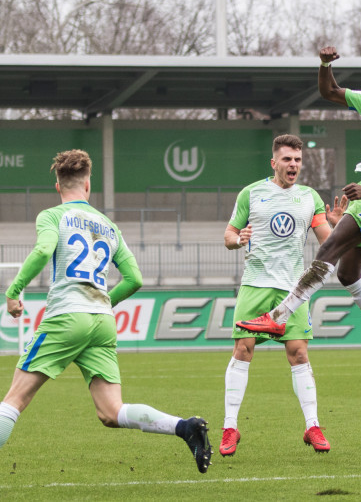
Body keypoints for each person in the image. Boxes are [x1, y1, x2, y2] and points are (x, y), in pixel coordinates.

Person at [0, 149, 211, 473]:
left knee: (14, 399)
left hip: (66, 317)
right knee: (111, 412)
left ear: (58, 186)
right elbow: (135, 279)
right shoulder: (109, 225)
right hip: (102, 321)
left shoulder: (53, 215)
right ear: (88, 186)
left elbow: (44, 249)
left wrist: (13, 291)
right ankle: (184, 428)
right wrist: (101, 304)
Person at [238, 46, 361, 381]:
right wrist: (325, 64)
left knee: (327, 249)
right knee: (347, 273)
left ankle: (281, 315)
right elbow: (328, 90)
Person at [221, 134, 348, 457]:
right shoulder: (251, 193)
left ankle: (312, 426)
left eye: (298, 160)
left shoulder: (309, 198)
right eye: (288, 159)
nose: (293, 165)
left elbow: (327, 243)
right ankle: (230, 426)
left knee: (299, 353)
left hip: (293, 288)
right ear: (274, 162)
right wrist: (238, 240)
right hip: (255, 284)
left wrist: (337, 225)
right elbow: (229, 235)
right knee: (243, 349)